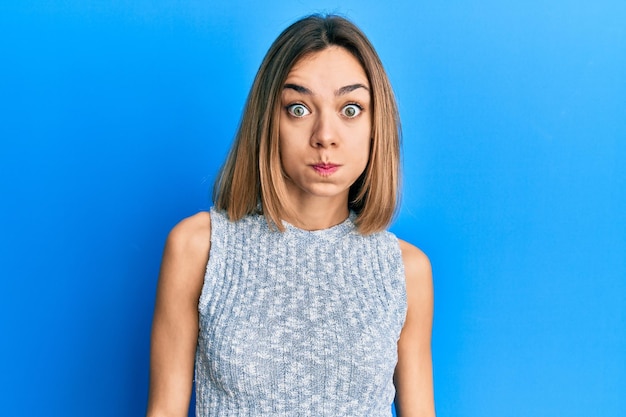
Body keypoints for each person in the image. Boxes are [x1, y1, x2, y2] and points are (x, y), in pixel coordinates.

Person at [146, 14, 435, 417]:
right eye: (298, 108)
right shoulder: (199, 248)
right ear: (269, 121)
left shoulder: (404, 270)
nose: (325, 135)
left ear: (375, 126)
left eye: (350, 109)